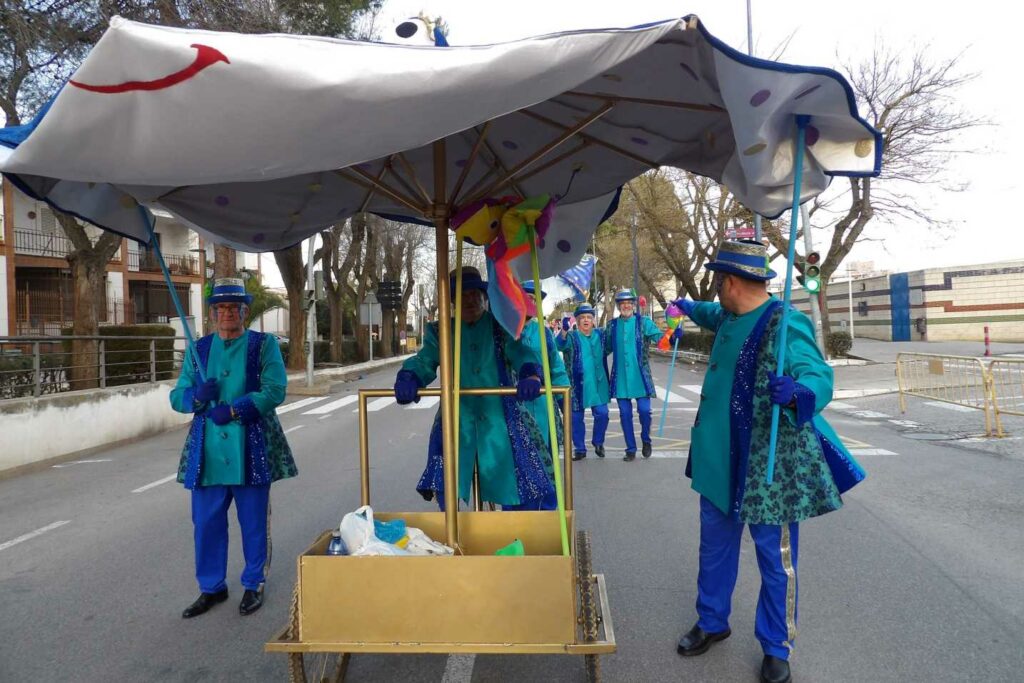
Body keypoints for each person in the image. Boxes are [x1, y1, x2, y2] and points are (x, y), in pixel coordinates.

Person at [671, 241, 865, 683]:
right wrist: (684, 305)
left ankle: (777, 645)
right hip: (717, 463)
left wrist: (802, 392)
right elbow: (706, 312)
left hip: (766, 470)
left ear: (732, 282)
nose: (716, 289)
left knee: (775, 562)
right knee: (714, 549)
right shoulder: (726, 316)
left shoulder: (784, 323)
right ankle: (712, 621)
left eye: (719, 281)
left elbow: (817, 371)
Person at [169, 277, 297, 619]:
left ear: (245, 312)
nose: (227, 313)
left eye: (234, 308)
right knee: (206, 522)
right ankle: (212, 587)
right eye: (221, 308)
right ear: (212, 314)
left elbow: (275, 389)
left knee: (253, 521)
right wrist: (196, 397)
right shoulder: (199, 349)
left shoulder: (263, 344)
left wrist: (237, 409)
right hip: (207, 452)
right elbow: (176, 396)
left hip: (251, 448)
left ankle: (254, 582)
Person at [394, 267, 555, 510]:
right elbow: (425, 359)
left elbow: (521, 351)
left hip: (502, 415)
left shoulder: (500, 325)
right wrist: (410, 376)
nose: (470, 300)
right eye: (462, 296)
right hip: (456, 418)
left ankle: (519, 535)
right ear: (453, 301)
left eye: (474, 294)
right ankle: (454, 536)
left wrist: (530, 374)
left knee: (523, 477)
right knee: (446, 479)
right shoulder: (441, 331)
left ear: (485, 297)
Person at [604, 289, 663, 461]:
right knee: (624, 414)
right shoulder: (612, 325)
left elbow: (659, 338)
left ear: (634, 304)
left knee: (645, 411)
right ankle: (630, 448)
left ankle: (646, 439)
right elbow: (605, 347)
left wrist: (672, 336)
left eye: (629, 302)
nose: (626, 305)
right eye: (622, 303)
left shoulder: (644, 322)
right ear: (618, 306)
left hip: (640, 377)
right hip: (620, 377)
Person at [556, 303, 611, 460]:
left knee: (603, 414)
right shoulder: (572, 337)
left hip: (598, 385)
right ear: (577, 321)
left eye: (589, 317)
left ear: (593, 320)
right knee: (575, 418)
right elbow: (558, 345)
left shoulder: (601, 335)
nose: (586, 320)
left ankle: (598, 442)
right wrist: (564, 330)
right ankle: (580, 448)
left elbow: (613, 343)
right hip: (576, 385)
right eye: (582, 318)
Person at [520, 281, 569, 456]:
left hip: (542, 404)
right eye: (526, 298)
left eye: (534, 300)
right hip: (513, 404)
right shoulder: (503, 330)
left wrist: (564, 399)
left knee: (545, 455)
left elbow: (555, 366)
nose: (530, 302)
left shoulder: (543, 332)